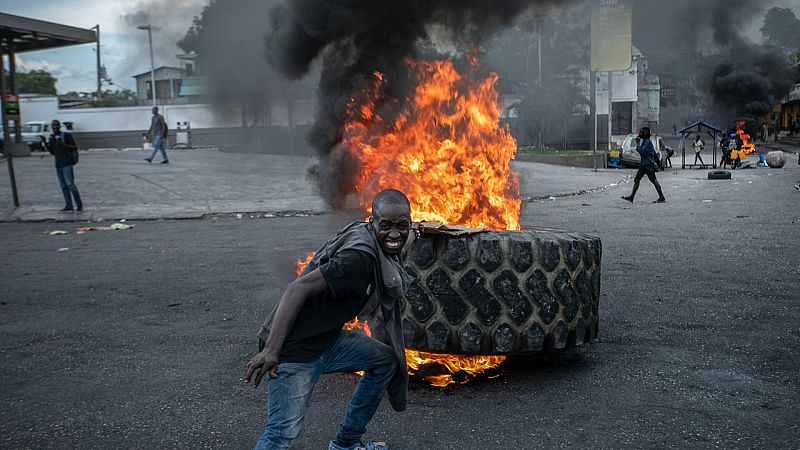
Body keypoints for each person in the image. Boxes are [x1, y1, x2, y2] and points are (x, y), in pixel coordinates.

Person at [245, 189, 420, 450]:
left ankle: (346, 443)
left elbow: (400, 238)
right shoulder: (356, 260)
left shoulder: (376, 239)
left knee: (385, 360)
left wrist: (415, 232)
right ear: (372, 224)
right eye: (386, 226)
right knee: (282, 434)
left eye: (402, 226)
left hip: (328, 341)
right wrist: (272, 350)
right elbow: (296, 289)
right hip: (296, 350)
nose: (395, 234)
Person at [40, 120, 83, 212]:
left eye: (56, 125)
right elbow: (52, 152)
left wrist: (63, 144)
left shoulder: (66, 135)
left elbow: (74, 147)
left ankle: (79, 205)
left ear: (59, 126)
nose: (54, 127)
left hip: (67, 163)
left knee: (70, 185)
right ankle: (69, 205)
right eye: (53, 126)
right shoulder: (52, 137)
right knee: (63, 186)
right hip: (58, 164)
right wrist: (45, 142)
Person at [622, 127, 665, 204]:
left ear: (645, 134)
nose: (640, 134)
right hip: (643, 164)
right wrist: (659, 164)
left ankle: (661, 197)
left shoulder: (647, 142)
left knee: (654, 180)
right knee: (637, 180)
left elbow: (642, 151)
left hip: (648, 165)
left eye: (642, 132)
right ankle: (631, 197)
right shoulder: (647, 142)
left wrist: (637, 143)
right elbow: (654, 154)